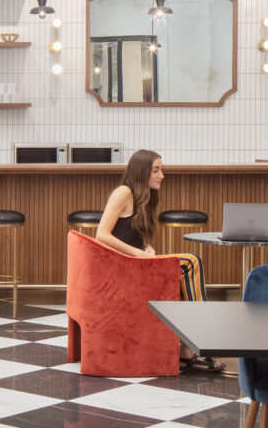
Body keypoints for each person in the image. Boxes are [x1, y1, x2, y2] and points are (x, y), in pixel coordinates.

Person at [94, 149, 223, 372]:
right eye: (156, 170)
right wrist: (137, 253)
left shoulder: (146, 196)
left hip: (134, 261)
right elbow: (102, 235)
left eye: (161, 170)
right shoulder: (123, 192)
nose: (161, 175)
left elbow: (130, 233)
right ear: (141, 172)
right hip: (123, 266)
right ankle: (202, 340)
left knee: (185, 271)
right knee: (189, 262)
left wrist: (144, 247)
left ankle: (189, 349)